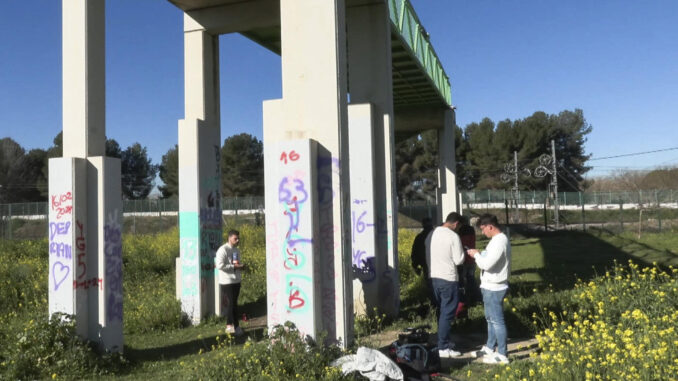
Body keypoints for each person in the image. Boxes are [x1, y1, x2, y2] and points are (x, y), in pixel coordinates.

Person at [467, 214, 512, 364]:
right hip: (488, 285)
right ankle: (490, 347)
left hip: (495, 287)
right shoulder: (495, 241)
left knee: (497, 321)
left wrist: (476, 255)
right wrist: (481, 254)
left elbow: (486, 265)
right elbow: (490, 259)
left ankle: (503, 354)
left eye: (483, 229)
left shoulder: (500, 241)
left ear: (490, 226)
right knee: (490, 319)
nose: (482, 232)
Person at [425, 212, 465, 358]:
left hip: (433, 278)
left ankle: (444, 340)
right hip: (448, 278)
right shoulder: (453, 236)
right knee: (447, 314)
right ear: (456, 224)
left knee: (441, 312)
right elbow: (459, 260)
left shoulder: (432, 234)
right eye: (458, 227)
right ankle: (443, 347)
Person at [216, 229, 245, 336]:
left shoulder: (236, 250)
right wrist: (234, 266)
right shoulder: (222, 250)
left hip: (236, 280)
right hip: (226, 281)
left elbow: (236, 263)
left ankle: (229, 325)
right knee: (232, 304)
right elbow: (220, 265)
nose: (237, 240)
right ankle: (235, 326)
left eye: (238, 238)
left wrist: (240, 267)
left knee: (233, 303)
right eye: (235, 238)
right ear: (229, 238)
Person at [457, 217, 479, 312]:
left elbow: (460, 245)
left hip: (464, 259)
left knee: (462, 281)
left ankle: (465, 300)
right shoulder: (471, 229)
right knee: (471, 279)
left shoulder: (460, 231)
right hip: (472, 258)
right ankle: (476, 298)